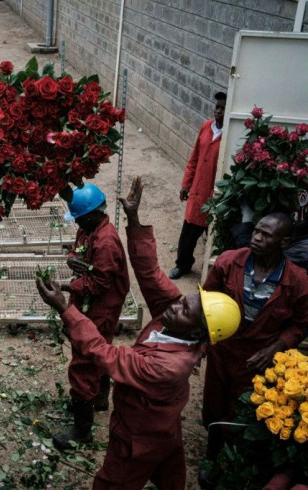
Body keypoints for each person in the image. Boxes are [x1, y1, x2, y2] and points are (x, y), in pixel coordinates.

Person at [36, 176, 241, 490]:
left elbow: (105, 355)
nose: (176, 303)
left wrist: (65, 308)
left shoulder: (167, 366)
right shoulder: (176, 316)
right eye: (186, 298)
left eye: (186, 308)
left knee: (113, 482)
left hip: (140, 433)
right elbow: (149, 272)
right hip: (163, 425)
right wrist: (133, 218)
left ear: (200, 331)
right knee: (171, 474)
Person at [199, 212, 308, 489]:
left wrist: (276, 347)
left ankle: (235, 462)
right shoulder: (228, 262)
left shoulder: (297, 281)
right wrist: (202, 342)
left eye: (266, 235)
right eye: (257, 231)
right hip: (223, 350)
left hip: (257, 360)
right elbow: (206, 303)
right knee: (214, 405)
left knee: (245, 410)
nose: (256, 237)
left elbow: (299, 324)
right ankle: (211, 457)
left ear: (284, 242)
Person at [52, 183, 130, 451]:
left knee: (85, 360)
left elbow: (97, 284)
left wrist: (63, 290)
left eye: (79, 219)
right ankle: (98, 399)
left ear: (93, 214)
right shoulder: (89, 229)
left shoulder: (106, 242)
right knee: (101, 352)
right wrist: (74, 260)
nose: (77, 225)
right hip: (91, 303)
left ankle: (82, 430)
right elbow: (79, 252)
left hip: (101, 308)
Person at [169, 92, 227, 279]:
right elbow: (194, 157)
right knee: (188, 233)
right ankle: (183, 265)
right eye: (217, 107)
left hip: (216, 195)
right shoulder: (206, 127)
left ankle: (213, 274)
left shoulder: (229, 136)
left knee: (214, 235)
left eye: (223, 108)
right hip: (197, 191)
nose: (218, 111)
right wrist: (186, 184)